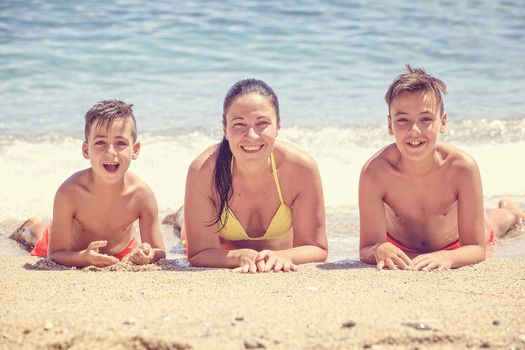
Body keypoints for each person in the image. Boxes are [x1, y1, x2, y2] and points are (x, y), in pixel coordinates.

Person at [359, 65, 524, 271]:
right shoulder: (375, 172)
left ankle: (510, 211)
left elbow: (476, 248)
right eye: (403, 120)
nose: (414, 130)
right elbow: (366, 247)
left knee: (494, 224)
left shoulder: (462, 168)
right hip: (400, 247)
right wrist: (379, 249)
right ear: (390, 125)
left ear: (443, 122)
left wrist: (449, 258)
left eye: (426, 119)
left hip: (455, 245)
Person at [166, 78, 327, 273]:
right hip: (222, 245)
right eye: (239, 124)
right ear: (225, 129)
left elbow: (317, 248)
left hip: (278, 250)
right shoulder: (204, 171)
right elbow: (199, 253)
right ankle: (183, 214)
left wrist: (286, 255)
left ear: (278, 126)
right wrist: (237, 256)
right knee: (186, 226)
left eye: (262, 123)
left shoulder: (300, 169)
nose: (251, 135)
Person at [10, 100, 166, 267]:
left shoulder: (142, 195)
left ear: (135, 150)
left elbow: (159, 252)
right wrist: (83, 258)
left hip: (122, 251)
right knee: (38, 235)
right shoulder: (70, 192)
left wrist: (149, 254)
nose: (111, 152)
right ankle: (29, 228)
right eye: (100, 142)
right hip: (72, 251)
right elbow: (55, 253)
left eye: (121, 143)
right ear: (86, 150)